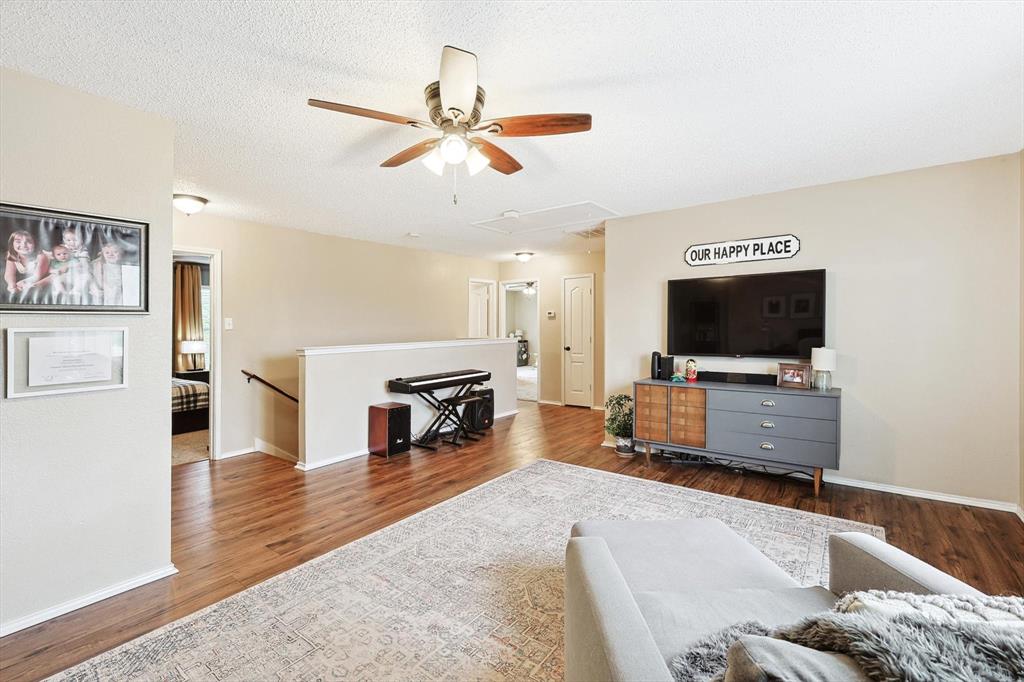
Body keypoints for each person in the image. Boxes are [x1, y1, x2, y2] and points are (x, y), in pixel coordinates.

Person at [4, 230, 50, 303]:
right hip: (28, 280)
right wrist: (11, 284)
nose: (23, 245)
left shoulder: (41, 256)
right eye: (18, 242)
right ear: (12, 244)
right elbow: (9, 274)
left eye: (28, 241)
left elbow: (37, 276)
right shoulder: (12, 256)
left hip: (46, 275)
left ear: (35, 243)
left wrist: (21, 283)